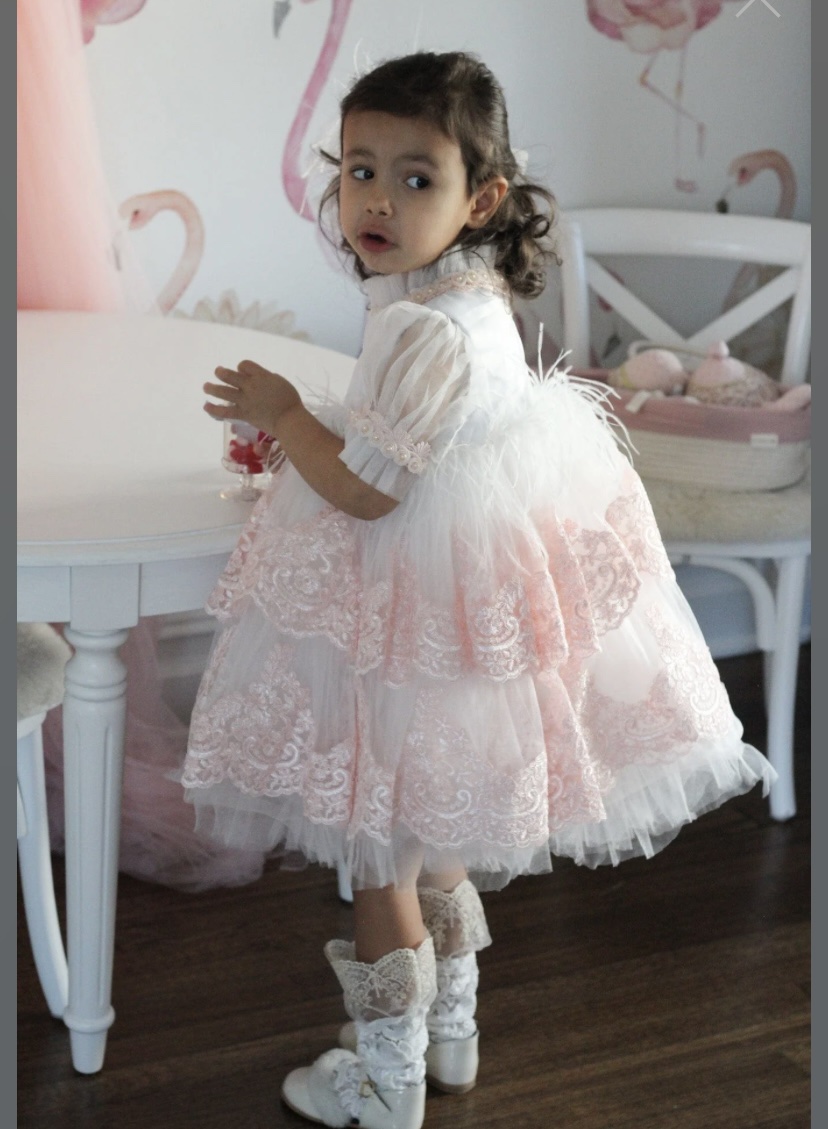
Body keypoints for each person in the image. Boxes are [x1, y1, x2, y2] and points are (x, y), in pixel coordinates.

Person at [180, 50, 775, 1129]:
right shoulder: (465, 293)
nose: (376, 200)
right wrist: (322, 425)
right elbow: (404, 438)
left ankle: (386, 1079)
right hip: (463, 621)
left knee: (380, 861)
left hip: (411, 614)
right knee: (434, 838)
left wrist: (285, 413)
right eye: (360, 170)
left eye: (417, 178)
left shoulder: (421, 325)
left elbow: (365, 491)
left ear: (481, 198)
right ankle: (449, 1038)